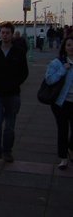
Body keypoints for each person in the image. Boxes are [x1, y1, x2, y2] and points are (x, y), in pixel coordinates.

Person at [0, 22, 29, 165]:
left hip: (13, 94)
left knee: (10, 126)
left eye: (7, 33)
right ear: (0, 34)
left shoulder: (19, 52)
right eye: (2, 33)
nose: (5, 35)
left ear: (12, 34)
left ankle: (7, 151)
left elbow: (24, 72)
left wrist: (15, 83)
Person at [45, 35, 73, 170]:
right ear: (64, 47)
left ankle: (70, 149)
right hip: (61, 103)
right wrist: (63, 70)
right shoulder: (57, 63)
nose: (71, 48)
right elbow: (49, 80)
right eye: (68, 45)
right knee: (63, 130)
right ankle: (63, 158)